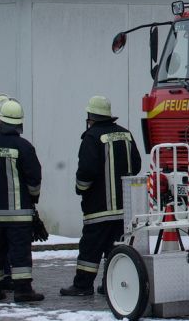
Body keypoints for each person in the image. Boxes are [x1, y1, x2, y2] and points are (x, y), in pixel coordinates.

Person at [60, 96, 141, 297]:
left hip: (99, 208)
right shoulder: (125, 134)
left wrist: (81, 189)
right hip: (124, 208)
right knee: (115, 247)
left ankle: (82, 285)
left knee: (90, 248)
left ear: (91, 117)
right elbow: (137, 164)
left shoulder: (91, 137)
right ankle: (110, 283)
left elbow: (86, 171)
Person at [0, 98, 43, 303]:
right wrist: (32, 198)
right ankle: (23, 290)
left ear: (0, 121)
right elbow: (34, 179)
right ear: (19, 123)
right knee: (20, 252)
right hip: (19, 213)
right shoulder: (24, 146)